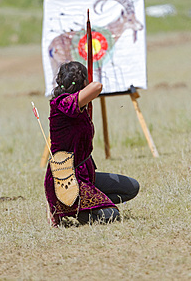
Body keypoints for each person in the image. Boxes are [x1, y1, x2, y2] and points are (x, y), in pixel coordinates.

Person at [44, 61, 139, 227]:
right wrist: (88, 85)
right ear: (82, 83)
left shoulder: (77, 106)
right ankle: (66, 208)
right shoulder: (61, 104)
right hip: (66, 180)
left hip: (85, 176)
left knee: (132, 187)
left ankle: (88, 205)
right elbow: (97, 87)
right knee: (111, 216)